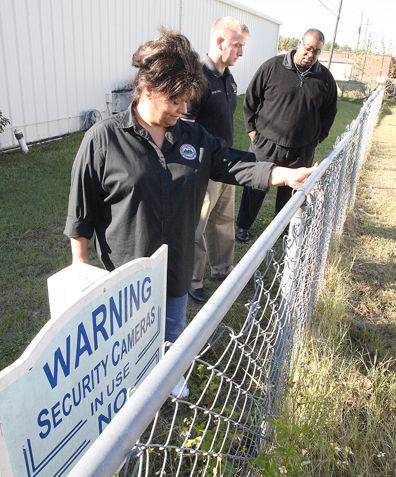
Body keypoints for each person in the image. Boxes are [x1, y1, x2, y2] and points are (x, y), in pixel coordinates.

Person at [64, 29, 316, 397]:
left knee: (172, 329)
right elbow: (81, 208)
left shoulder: (192, 138)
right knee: (127, 344)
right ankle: (131, 389)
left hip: (177, 263)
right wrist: (81, 265)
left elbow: (233, 164)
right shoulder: (104, 139)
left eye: (187, 101)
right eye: (176, 101)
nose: (184, 110)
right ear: (148, 90)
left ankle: (171, 372)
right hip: (126, 272)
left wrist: (284, 174)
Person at [236, 29, 337, 243]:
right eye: (308, 48)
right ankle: (243, 226)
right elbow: (251, 99)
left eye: (316, 52)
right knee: (255, 187)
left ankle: (282, 232)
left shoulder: (325, 79)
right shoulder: (272, 67)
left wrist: (317, 138)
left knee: (291, 193)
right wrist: (252, 131)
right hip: (266, 144)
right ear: (300, 43)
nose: (310, 54)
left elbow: (329, 113)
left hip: (301, 149)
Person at [183, 17, 249, 304]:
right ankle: (192, 281)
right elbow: (185, 127)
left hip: (226, 166)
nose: (241, 52)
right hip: (202, 168)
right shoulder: (198, 79)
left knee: (223, 222)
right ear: (220, 41)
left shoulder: (227, 77)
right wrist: (194, 166)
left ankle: (223, 271)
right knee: (197, 226)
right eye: (237, 45)